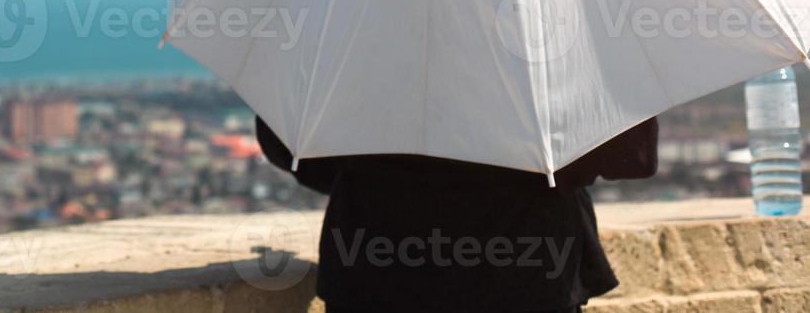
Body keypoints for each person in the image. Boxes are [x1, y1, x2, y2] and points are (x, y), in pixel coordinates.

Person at [256, 116, 658, 313]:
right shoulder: (550, 28)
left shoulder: (354, 20)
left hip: (377, 271)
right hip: (529, 270)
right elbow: (627, 155)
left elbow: (294, 149)